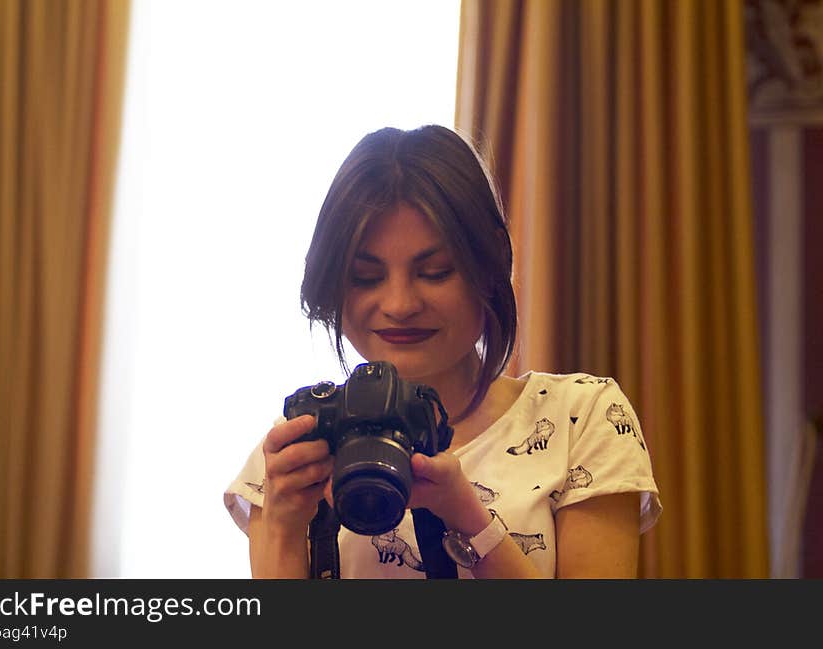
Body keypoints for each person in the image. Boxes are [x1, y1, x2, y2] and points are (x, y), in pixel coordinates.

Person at [224, 124, 662, 579]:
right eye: (366, 277)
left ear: (487, 268)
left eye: (434, 272)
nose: (399, 305)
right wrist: (280, 524)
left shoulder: (583, 419)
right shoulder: (295, 449)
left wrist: (468, 519)